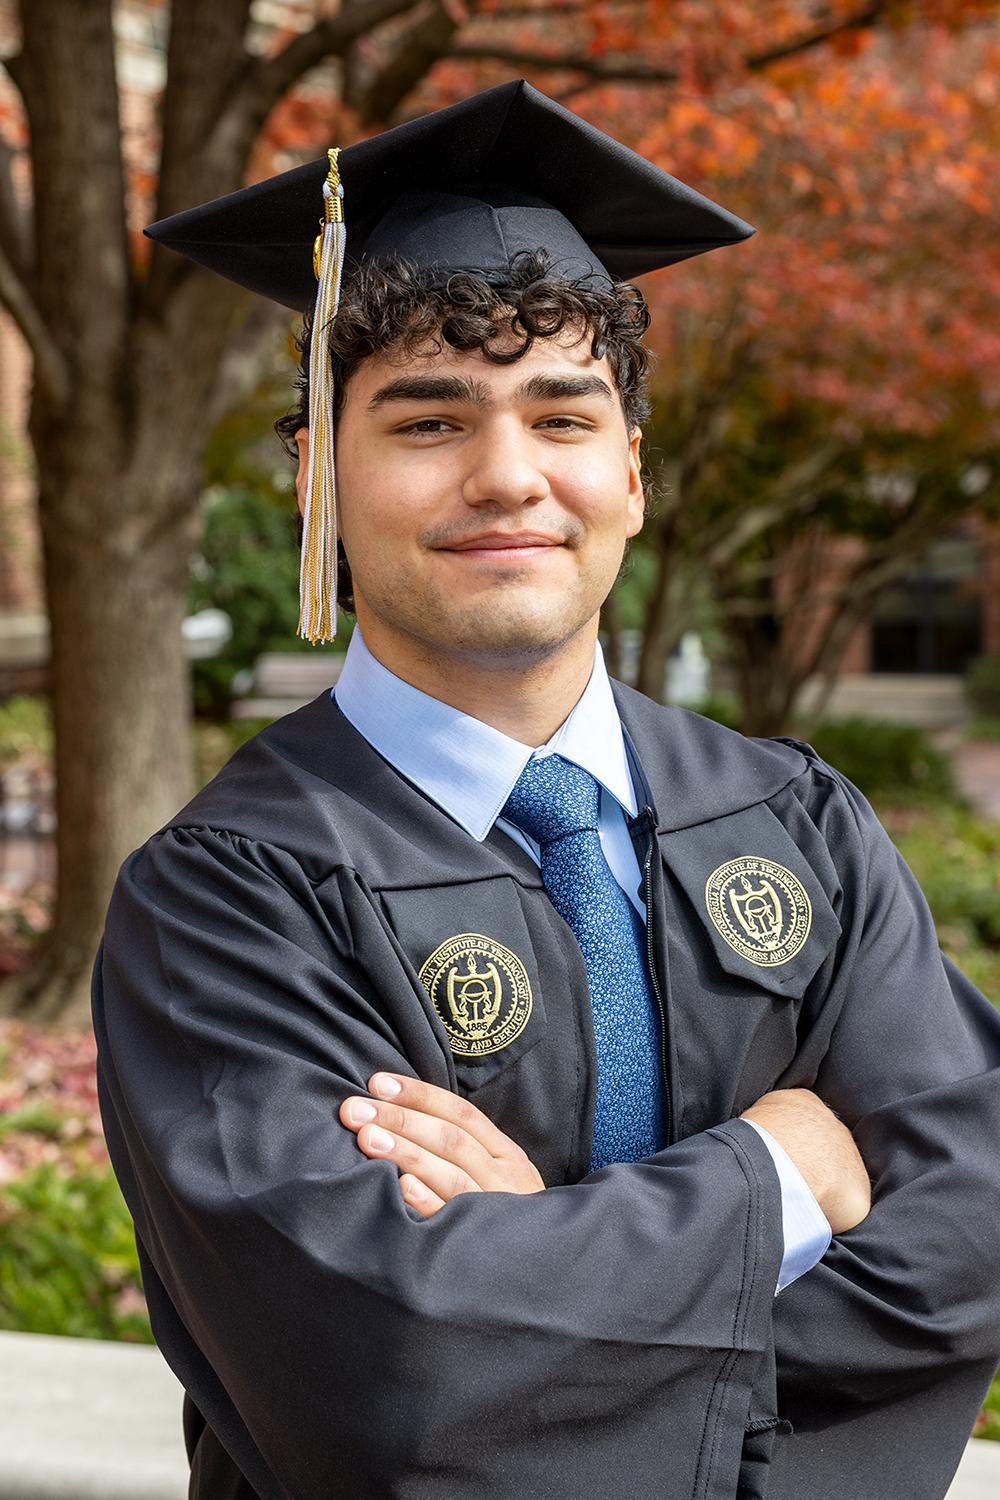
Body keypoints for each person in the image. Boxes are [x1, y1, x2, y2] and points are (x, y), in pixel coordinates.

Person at [92, 81, 1000, 1500]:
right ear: (320, 473)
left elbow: (969, 1237)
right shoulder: (223, 899)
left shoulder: (796, 822)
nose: (509, 476)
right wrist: (776, 1179)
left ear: (631, 470)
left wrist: (543, 1264)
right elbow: (390, 1375)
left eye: (562, 416)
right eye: (429, 421)